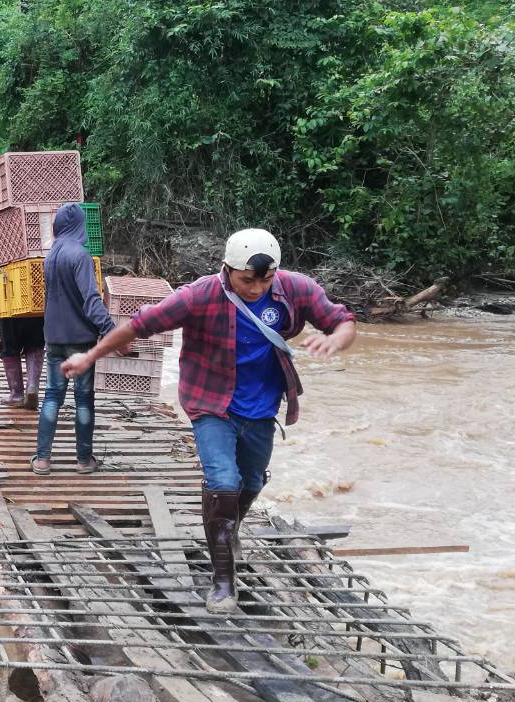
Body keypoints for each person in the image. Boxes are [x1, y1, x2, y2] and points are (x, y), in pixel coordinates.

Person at [60, 228, 358, 613]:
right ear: (227, 269)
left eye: (265, 280)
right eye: (247, 280)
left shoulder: (295, 289)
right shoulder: (199, 296)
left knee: (251, 482)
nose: (256, 289)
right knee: (223, 482)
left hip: (262, 409)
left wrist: (336, 339)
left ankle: (227, 529)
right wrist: (89, 357)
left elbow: (344, 321)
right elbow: (139, 325)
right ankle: (222, 581)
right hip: (210, 404)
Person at [32, 204, 114, 477]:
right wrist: (112, 330)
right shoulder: (80, 255)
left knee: (53, 395)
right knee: (83, 398)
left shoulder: (51, 254)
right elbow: (91, 300)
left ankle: (42, 459)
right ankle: (83, 459)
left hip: (53, 336)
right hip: (80, 339)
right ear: (80, 225)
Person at [0, 236, 44, 408]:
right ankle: (32, 387)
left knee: (9, 346)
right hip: (36, 295)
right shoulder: (42, 227)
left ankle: (16, 394)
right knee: (35, 343)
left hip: (7, 298)